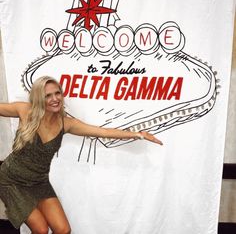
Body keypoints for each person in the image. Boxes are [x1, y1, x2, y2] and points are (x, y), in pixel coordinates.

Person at [0, 76, 163, 233]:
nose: (55, 98)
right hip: (12, 180)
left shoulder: (67, 124)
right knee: (41, 229)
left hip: (38, 182)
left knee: (63, 229)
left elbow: (103, 132)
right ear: (38, 98)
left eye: (57, 93)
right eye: (48, 95)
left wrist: (138, 134)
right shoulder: (24, 110)